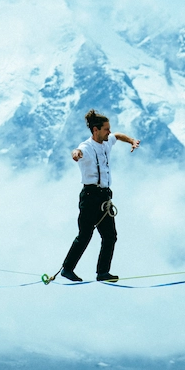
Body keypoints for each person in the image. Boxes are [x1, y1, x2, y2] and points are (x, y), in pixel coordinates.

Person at [60, 109, 140, 282]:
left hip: (104, 198)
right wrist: (76, 155)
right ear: (95, 130)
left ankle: (102, 273)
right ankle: (67, 269)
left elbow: (117, 135)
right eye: (106, 129)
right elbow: (76, 151)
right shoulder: (86, 147)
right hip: (90, 197)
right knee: (85, 235)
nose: (109, 132)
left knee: (110, 236)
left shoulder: (106, 142)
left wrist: (131, 141)